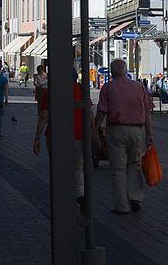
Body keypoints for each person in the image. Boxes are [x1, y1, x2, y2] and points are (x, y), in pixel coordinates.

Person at [94, 58, 154, 214]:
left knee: (118, 169)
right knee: (135, 164)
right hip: (137, 130)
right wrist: (149, 135)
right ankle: (135, 198)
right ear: (125, 70)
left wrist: (94, 128)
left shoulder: (108, 88)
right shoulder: (139, 87)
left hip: (116, 130)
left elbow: (102, 111)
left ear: (112, 72)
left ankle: (121, 206)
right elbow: (147, 114)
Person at [33, 73, 86, 203]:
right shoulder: (81, 89)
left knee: (58, 165)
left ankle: (62, 195)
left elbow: (44, 116)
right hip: (79, 134)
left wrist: (37, 138)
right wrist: (93, 132)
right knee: (78, 167)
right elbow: (88, 113)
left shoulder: (50, 90)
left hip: (56, 135)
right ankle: (80, 195)